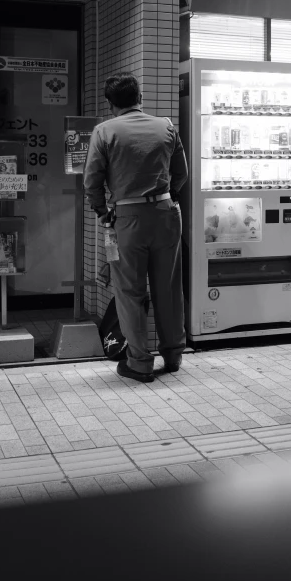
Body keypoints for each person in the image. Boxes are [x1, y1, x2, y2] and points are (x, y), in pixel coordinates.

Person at [83, 73, 189, 383]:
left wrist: (103, 211)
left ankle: (140, 362)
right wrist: (164, 198)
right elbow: (180, 174)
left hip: (127, 218)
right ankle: (172, 356)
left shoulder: (104, 131)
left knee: (129, 290)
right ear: (139, 96)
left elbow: (92, 181)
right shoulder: (166, 127)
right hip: (167, 214)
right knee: (169, 287)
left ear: (110, 102)